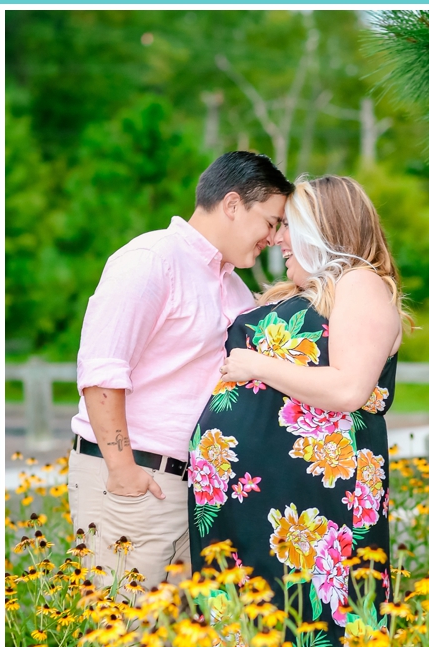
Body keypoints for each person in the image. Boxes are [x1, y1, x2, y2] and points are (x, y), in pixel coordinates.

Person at [188, 174, 404, 647]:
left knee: (317, 629)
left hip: (313, 505)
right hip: (249, 506)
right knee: (256, 631)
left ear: (326, 229)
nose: (279, 238)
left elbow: (350, 388)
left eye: (290, 226)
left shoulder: (361, 282)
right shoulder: (305, 293)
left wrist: (255, 363)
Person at [69, 151, 293, 591]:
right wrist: (124, 471)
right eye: (270, 221)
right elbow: (101, 371)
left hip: (197, 493)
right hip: (137, 481)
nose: (273, 236)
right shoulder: (151, 260)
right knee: (122, 640)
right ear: (232, 205)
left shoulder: (233, 286)